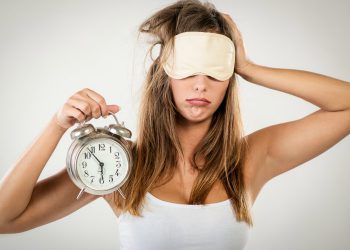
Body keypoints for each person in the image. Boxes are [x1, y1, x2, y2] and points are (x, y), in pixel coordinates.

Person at [0, 0, 349, 249]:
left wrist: (251, 68)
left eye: (215, 69)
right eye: (189, 67)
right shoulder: (118, 166)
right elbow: (6, 219)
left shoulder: (251, 158)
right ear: (164, 72)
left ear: (229, 77)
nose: (201, 84)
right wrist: (57, 125)